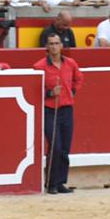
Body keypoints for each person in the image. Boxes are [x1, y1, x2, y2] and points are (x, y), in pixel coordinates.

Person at [36, 30, 82, 194]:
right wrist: (50, 93)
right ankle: (51, 183)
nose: (54, 47)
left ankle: (61, 182)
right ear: (46, 47)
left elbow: (78, 79)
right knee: (55, 146)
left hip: (67, 109)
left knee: (64, 148)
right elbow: (35, 89)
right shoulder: (39, 66)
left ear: (61, 46)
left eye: (57, 43)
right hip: (50, 110)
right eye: (51, 44)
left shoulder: (70, 63)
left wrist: (72, 92)